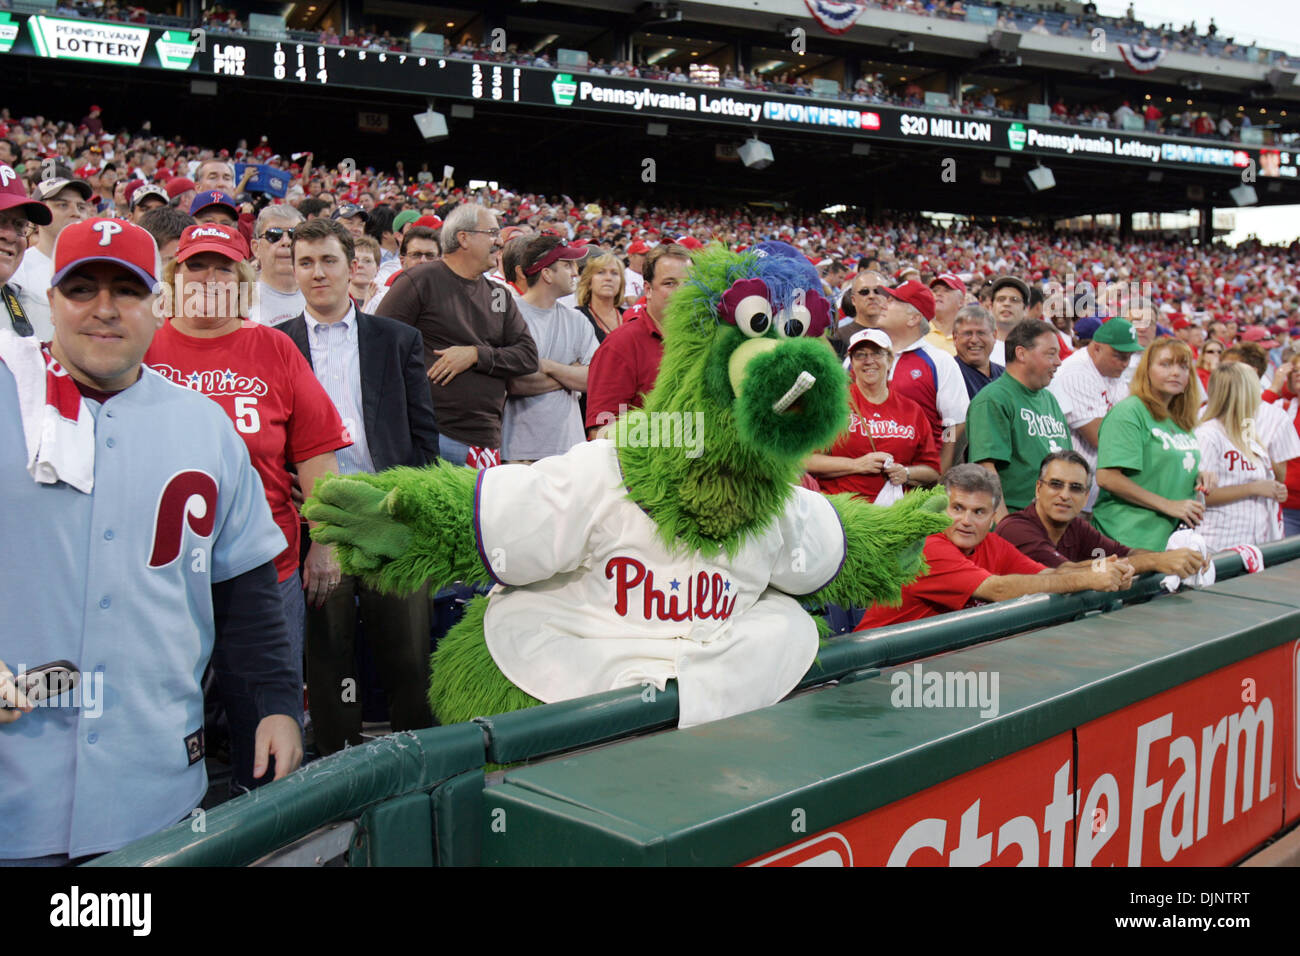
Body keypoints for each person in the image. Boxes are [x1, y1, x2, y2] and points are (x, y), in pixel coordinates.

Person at [0, 218, 300, 863]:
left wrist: (274, 702)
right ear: (49, 300)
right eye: (82, 289)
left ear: (156, 305)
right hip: (12, 784)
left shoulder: (205, 425)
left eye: (126, 290)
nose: (104, 309)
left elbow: (244, 591)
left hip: (152, 781)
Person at [144, 222, 350, 791]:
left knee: (266, 718)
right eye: (195, 266)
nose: (209, 279)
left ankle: (264, 833)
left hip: (267, 570)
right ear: (174, 276)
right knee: (170, 723)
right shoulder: (143, 345)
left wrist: (326, 544)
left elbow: (316, 455)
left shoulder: (274, 347)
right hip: (161, 574)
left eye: (222, 268)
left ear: (243, 277)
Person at [277, 217, 439, 755]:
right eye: (305, 262)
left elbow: (423, 436)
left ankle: (416, 769)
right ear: (291, 270)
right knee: (327, 664)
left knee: (409, 661)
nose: (317, 273)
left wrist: (413, 509)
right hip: (317, 523)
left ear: (353, 266)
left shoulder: (398, 340)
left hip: (389, 515)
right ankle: (336, 780)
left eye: (328, 260)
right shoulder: (276, 344)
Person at [852, 465, 1129, 629]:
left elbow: (1045, 576)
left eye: (979, 512)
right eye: (957, 508)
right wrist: (1091, 578)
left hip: (934, 664)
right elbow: (998, 589)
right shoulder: (927, 546)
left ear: (994, 515)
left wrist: (1105, 569)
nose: (966, 521)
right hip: (878, 670)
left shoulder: (993, 543)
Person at [377, 202, 539, 466]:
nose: (498, 242)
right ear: (463, 237)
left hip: (486, 438)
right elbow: (378, 345)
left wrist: (475, 355)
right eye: (491, 233)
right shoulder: (420, 280)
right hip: (432, 434)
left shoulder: (498, 294)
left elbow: (527, 356)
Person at [997, 451, 1211, 576]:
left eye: (1075, 488)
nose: (1064, 495)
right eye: (1055, 484)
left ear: (1086, 496)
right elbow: (1065, 573)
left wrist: (1178, 556)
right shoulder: (1016, 528)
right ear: (1038, 488)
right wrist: (1155, 562)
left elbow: (1126, 554)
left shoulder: (1076, 527)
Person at [1093, 339, 1215, 551]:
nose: (1176, 372)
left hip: (1167, 542)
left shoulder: (1179, 419)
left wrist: (1198, 475)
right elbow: (1107, 477)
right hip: (1126, 539)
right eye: (1166, 364)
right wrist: (1169, 506)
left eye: (1183, 366)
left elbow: (1163, 465)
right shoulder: (1129, 412)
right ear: (1147, 370)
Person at [804, 328, 940, 501]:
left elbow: (932, 471)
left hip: (896, 513)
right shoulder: (833, 405)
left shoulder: (912, 410)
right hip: (844, 511)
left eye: (877, 353)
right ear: (852, 362)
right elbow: (806, 460)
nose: (869, 361)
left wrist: (906, 473)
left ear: (890, 360)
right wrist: (856, 465)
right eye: (860, 355)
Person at [585, 242, 691, 438]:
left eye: (689, 284)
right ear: (648, 290)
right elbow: (600, 430)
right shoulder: (621, 344)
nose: (683, 292)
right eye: (670, 283)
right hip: (646, 465)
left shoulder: (702, 340)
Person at [967, 319, 1071, 515]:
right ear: (1021, 353)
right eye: (1051, 354)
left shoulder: (1049, 399)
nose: (1058, 362)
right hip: (1018, 517)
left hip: (1052, 519)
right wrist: (1005, 525)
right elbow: (985, 469)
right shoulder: (994, 399)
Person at [1047, 316, 1143, 510]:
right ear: (1097, 348)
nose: (1126, 362)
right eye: (1119, 355)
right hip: (1067, 491)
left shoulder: (1111, 372)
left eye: (1129, 356)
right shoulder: (1077, 372)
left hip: (1093, 493)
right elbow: (1099, 436)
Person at [876, 279, 969, 473]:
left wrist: (941, 468)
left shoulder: (940, 361)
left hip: (917, 480)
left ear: (913, 318)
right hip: (865, 477)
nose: (883, 304)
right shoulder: (860, 355)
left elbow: (954, 424)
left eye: (893, 301)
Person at [1195, 363, 1287, 552]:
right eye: (1256, 389)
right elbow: (1199, 497)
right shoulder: (1207, 434)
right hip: (1219, 544)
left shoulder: (1246, 433)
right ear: (1243, 393)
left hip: (1254, 542)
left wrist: (1274, 489)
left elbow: (1263, 482)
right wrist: (1253, 488)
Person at [10, 175, 93, 340]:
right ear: (40, 214)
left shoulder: (101, 268)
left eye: (81, 207)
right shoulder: (17, 267)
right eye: (63, 205)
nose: (75, 213)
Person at [248, 204, 305, 326]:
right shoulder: (241, 299)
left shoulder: (321, 294)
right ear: (256, 248)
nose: (286, 242)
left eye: (294, 235)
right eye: (274, 235)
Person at [832, 268, 890, 357]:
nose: (871, 296)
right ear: (853, 300)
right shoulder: (840, 336)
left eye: (877, 291)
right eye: (864, 292)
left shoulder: (896, 333)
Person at [952, 303, 1003, 399]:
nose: (974, 340)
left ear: (994, 335)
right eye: (967, 333)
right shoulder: (948, 374)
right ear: (955, 338)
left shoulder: (1005, 375)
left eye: (981, 333)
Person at [575, 251, 625, 343]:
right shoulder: (575, 317)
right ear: (589, 282)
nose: (608, 278)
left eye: (614, 273)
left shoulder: (631, 317)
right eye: (601, 272)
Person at [925, 273, 965, 355]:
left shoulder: (968, 336)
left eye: (947, 290)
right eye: (935, 290)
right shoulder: (918, 331)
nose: (938, 294)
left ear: (961, 301)